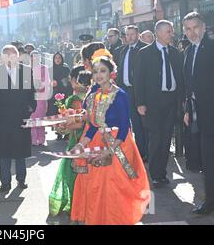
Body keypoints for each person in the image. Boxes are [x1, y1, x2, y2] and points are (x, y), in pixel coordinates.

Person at [70, 54, 150, 225]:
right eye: (96, 71)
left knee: (116, 186)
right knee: (95, 186)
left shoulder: (119, 95)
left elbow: (124, 127)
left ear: (111, 73)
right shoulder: (94, 95)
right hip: (97, 143)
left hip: (118, 145)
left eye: (103, 71)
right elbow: (93, 125)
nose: (99, 75)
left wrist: (110, 150)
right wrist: (80, 144)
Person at [182, 12, 214, 214]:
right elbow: (189, 84)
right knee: (210, 156)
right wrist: (188, 110)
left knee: (211, 156)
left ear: (204, 27)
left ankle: (212, 199)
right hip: (199, 112)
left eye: (195, 27)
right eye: (188, 29)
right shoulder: (189, 51)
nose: (192, 32)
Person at [134, 20, 185, 188]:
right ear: (159, 33)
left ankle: (162, 173)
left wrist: (182, 100)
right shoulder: (145, 53)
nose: (172, 34)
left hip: (171, 101)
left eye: (171, 31)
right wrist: (140, 102)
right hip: (152, 103)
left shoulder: (175, 53)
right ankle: (156, 174)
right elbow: (139, 80)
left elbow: (181, 78)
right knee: (156, 138)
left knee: (165, 139)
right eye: (169, 31)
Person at [0, 45, 36, 192]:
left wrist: (31, 108)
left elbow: (31, 93)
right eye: (7, 55)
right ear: (2, 58)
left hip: (21, 117)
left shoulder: (26, 71)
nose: (11, 58)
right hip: (2, 119)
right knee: (4, 153)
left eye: (13, 55)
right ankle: (5, 182)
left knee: (21, 151)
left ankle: (21, 179)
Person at [49, 65, 92, 217]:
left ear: (75, 81)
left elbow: (74, 123)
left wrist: (62, 127)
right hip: (92, 140)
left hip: (77, 140)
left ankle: (77, 205)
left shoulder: (74, 99)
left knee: (71, 175)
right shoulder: (94, 95)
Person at [116, 26, 148, 160]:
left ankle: (145, 151)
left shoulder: (145, 49)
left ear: (138, 35)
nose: (129, 37)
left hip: (141, 91)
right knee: (133, 123)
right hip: (126, 91)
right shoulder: (123, 50)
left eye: (132, 34)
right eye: (127, 34)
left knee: (144, 123)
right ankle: (139, 151)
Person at [29, 50, 51, 146]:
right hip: (31, 96)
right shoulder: (27, 69)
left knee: (40, 117)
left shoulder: (44, 68)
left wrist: (39, 86)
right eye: (33, 56)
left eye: (37, 56)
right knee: (32, 117)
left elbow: (47, 81)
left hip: (41, 96)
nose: (35, 58)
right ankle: (33, 139)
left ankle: (41, 139)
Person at [48, 52, 71, 130]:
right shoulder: (50, 69)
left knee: (63, 111)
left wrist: (58, 82)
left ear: (62, 59)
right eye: (56, 58)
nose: (57, 59)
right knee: (54, 111)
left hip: (63, 93)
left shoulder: (66, 69)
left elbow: (68, 81)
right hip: (53, 93)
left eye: (59, 58)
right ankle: (58, 131)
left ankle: (66, 130)